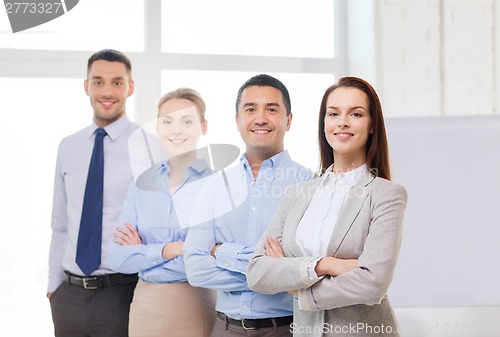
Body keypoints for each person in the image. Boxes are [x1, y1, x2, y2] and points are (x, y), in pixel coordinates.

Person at [246, 76, 408, 337]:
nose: (342, 121)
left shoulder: (386, 195)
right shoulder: (297, 194)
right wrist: (324, 265)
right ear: (324, 124)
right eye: (333, 113)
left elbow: (372, 283)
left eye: (355, 114)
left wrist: (297, 286)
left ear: (371, 126)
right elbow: (257, 272)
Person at [183, 74, 312, 337]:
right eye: (251, 109)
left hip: (287, 329)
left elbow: (307, 270)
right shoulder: (214, 186)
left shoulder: (311, 184)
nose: (261, 118)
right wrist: (271, 271)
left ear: (288, 120)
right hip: (224, 329)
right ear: (238, 120)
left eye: (272, 109)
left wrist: (222, 252)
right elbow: (195, 269)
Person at [108, 88, 215, 337]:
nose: (176, 130)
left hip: (193, 305)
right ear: (158, 127)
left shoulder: (218, 186)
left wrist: (143, 253)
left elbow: (206, 262)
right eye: (167, 121)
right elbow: (117, 257)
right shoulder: (140, 185)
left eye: (187, 121)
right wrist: (172, 249)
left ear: (203, 126)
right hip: (144, 306)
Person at [48, 49, 139, 336]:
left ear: (130, 87)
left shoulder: (147, 148)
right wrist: (53, 286)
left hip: (123, 291)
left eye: (116, 82)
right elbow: (60, 224)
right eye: (98, 82)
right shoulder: (68, 146)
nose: (107, 91)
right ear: (87, 86)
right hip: (69, 295)